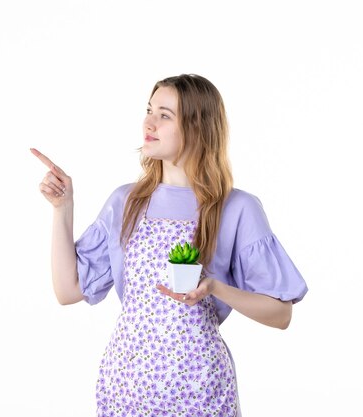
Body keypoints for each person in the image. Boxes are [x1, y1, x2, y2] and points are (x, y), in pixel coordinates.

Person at [31, 73, 308, 417]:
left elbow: (281, 314)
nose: (148, 122)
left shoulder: (237, 208)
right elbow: (67, 290)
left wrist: (215, 288)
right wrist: (63, 209)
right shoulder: (125, 202)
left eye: (164, 115)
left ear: (198, 126)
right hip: (126, 391)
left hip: (201, 394)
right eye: (149, 111)